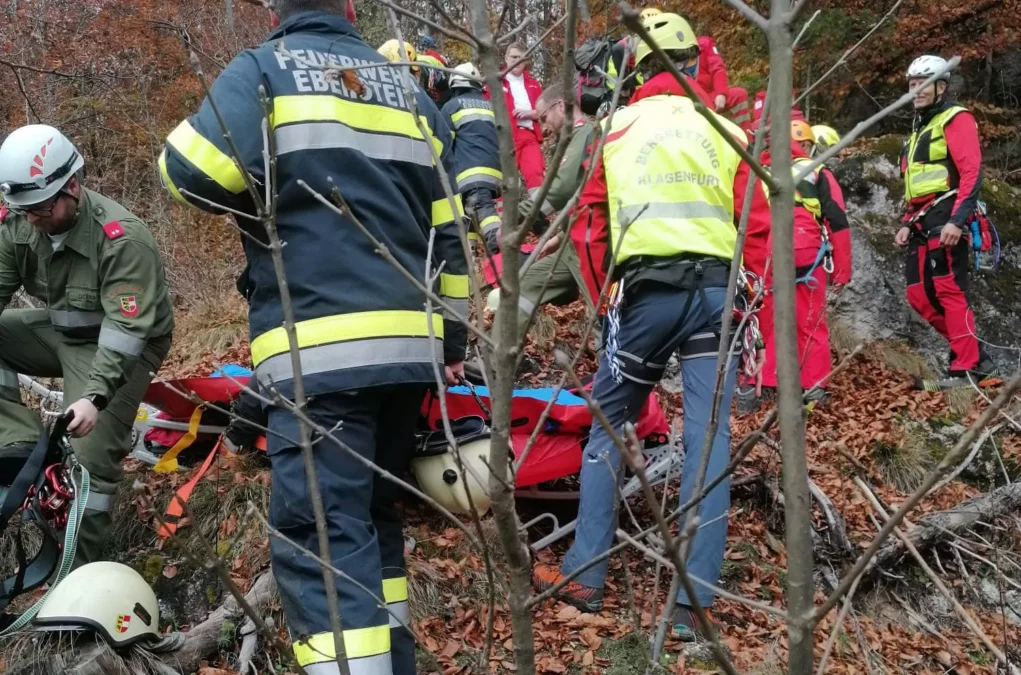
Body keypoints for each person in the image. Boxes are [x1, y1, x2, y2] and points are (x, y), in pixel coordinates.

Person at [159, 1, 469, 673]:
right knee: (370, 525)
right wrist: (448, 340)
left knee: (322, 541)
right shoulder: (410, 91)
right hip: (410, 354)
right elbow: (449, 226)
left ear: (276, 7)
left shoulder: (264, 72)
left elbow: (187, 169)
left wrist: (262, 192)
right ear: (349, 8)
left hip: (319, 355)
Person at [531, 11, 758, 642]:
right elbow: (754, 225)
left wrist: (605, 296)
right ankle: (693, 607)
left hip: (647, 300)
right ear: (690, 63)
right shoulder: (724, 128)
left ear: (635, 68)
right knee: (708, 447)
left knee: (607, 428)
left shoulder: (617, 127)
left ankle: (586, 577)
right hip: (715, 297)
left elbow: (592, 225)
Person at [0, 124, 174, 565]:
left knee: (89, 461)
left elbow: (126, 334)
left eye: (39, 208)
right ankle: (16, 445)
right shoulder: (19, 225)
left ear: (72, 187)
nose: (31, 219)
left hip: (123, 349)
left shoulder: (123, 241)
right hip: (61, 331)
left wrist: (94, 398)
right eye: (21, 209)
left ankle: (79, 575)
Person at [894, 55, 998, 391]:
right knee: (918, 296)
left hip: (948, 213)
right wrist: (907, 221)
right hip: (922, 219)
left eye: (923, 84)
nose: (916, 91)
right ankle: (976, 356)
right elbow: (917, 184)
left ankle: (965, 369)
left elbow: (970, 171)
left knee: (949, 289)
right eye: (912, 85)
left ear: (941, 86)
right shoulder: (917, 129)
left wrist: (958, 219)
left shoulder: (956, 118)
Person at [757, 121, 852, 405]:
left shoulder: (758, 171)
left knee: (768, 319)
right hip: (806, 248)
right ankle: (814, 385)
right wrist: (843, 271)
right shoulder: (817, 172)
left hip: (767, 251)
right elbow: (837, 220)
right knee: (810, 320)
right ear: (807, 146)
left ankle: (765, 381)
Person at [510, 84, 596, 331]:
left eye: (544, 117)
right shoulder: (573, 140)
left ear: (560, 106)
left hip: (590, 244)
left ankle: (611, 368)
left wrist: (516, 216)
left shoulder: (585, 135)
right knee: (526, 284)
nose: (543, 125)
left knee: (600, 312)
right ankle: (498, 362)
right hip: (572, 242)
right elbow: (579, 199)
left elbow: (562, 190)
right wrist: (556, 239)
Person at [441, 62, 502, 252]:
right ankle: (473, 254)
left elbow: (444, 146)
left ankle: (499, 249)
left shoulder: (451, 107)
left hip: (468, 172)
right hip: (496, 172)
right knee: (471, 215)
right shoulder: (493, 106)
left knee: (482, 210)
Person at [502, 41, 546, 193]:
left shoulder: (534, 84)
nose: (517, 61)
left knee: (536, 173)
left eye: (521, 58)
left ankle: (539, 213)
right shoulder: (495, 83)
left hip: (529, 135)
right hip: (505, 137)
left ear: (526, 61)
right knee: (505, 178)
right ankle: (503, 216)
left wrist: (531, 113)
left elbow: (545, 111)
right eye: (513, 57)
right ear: (506, 58)